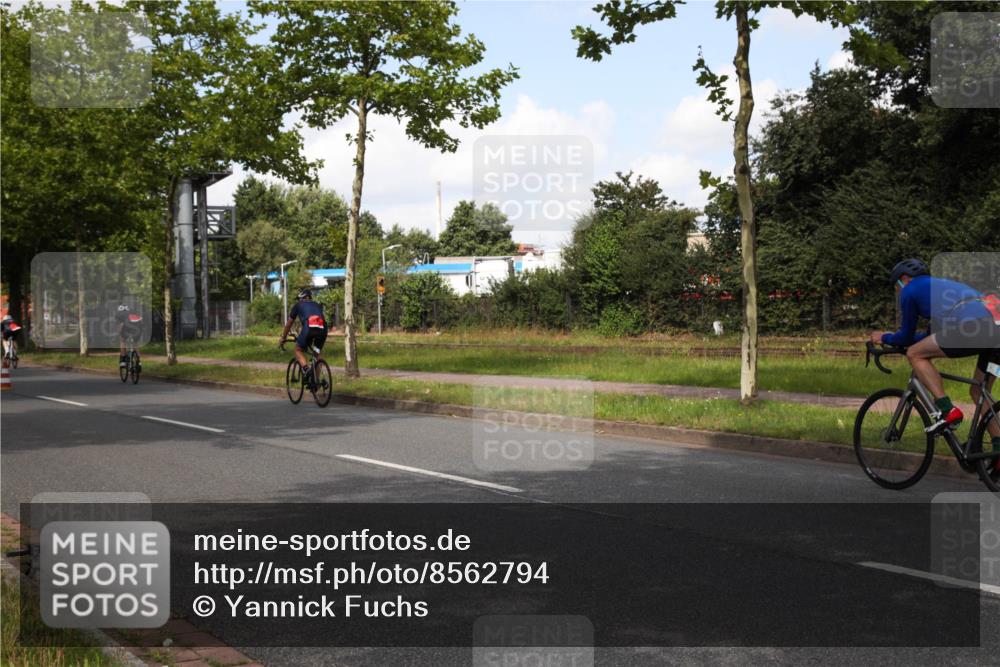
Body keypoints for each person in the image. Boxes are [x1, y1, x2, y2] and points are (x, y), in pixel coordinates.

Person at [870, 259, 1000, 457]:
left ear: (904, 279)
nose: (898, 291)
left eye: (896, 286)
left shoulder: (910, 290)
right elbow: (928, 337)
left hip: (973, 326)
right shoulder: (941, 288)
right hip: (995, 325)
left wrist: (884, 337)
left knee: (915, 354)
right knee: (979, 392)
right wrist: (898, 340)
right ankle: (998, 453)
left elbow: (906, 337)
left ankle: (948, 411)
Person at [279, 289, 327, 382]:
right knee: (317, 353)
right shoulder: (317, 305)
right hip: (323, 328)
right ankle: (315, 381)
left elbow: (289, 323)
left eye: (299, 299)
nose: (299, 301)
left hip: (310, 326)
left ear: (302, 298)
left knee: (298, 349)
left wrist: (283, 337)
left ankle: (306, 369)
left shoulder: (298, 305)